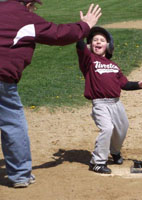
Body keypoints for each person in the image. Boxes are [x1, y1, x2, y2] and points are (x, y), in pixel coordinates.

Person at [0, 0, 102, 188]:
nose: (34, 9)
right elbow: (58, 34)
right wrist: (85, 25)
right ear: (27, 3)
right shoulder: (24, 17)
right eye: (34, 6)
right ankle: (20, 175)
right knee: (13, 124)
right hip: (2, 80)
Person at [76, 27, 142, 174]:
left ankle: (115, 152)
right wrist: (83, 28)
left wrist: (138, 85)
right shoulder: (89, 60)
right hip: (100, 104)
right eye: (94, 40)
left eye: (102, 40)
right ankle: (97, 162)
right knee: (107, 128)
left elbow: (124, 84)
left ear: (108, 46)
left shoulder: (114, 66)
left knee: (122, 128)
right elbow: (80, 47)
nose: (98, 42)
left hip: (116, 103)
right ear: (90, 45)